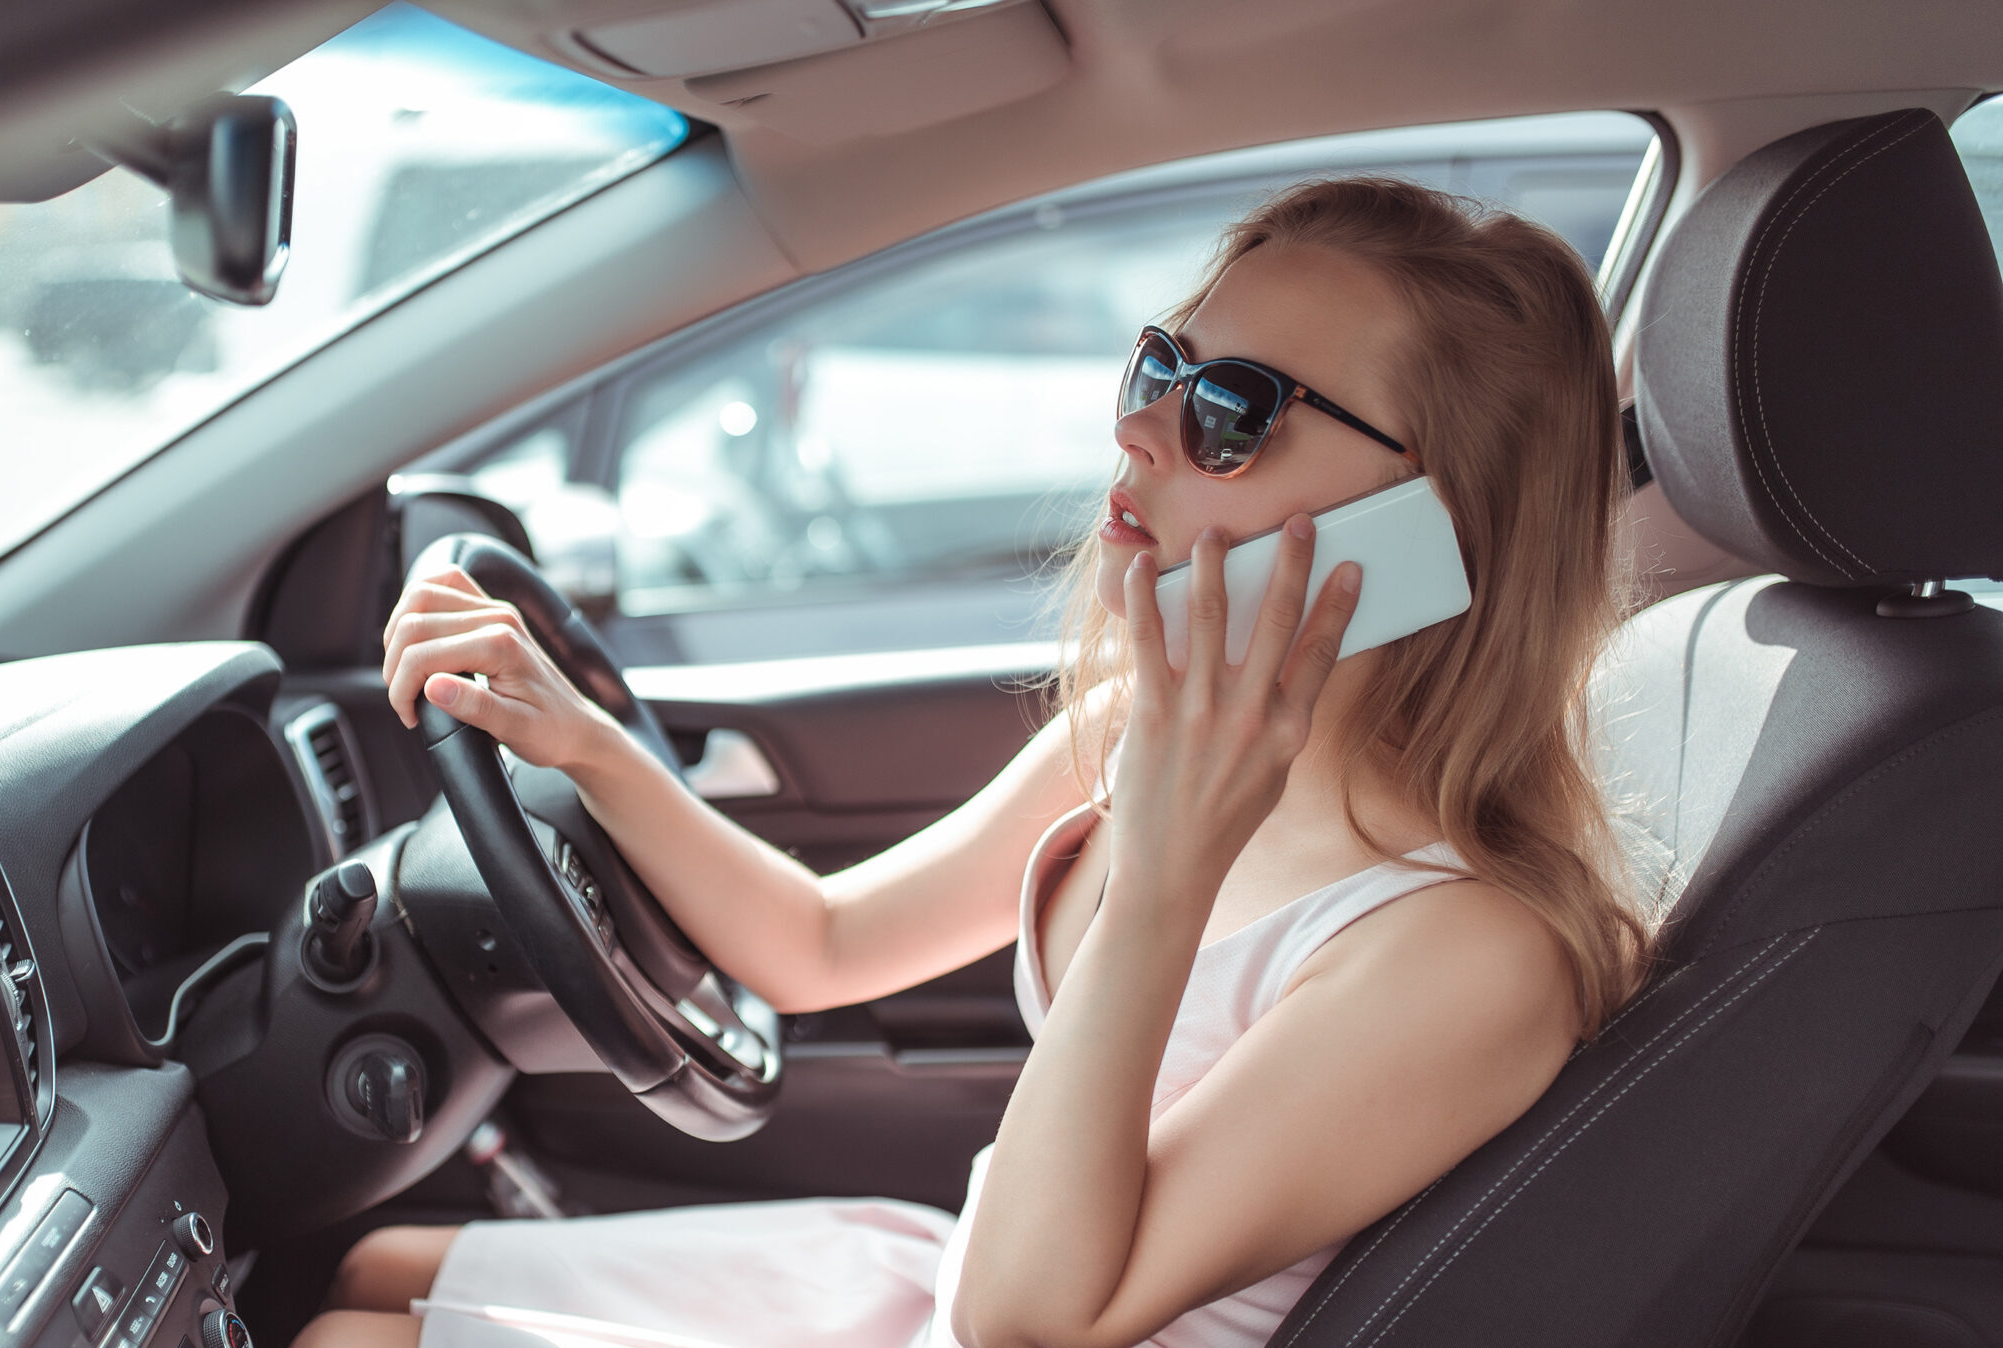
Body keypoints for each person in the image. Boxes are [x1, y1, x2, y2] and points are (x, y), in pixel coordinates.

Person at [296, 176, 1648, 1348]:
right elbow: (826, 945)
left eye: (1233, 410)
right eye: (1160, 368)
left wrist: (1167, 874)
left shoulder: (1466, 953)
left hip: (1011, 1305)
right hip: (949, 1273)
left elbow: (1031, 1320)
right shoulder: (1133, 728)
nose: (1140, 433)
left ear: (1432, 526)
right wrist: (580, 739)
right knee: (367, 1271)